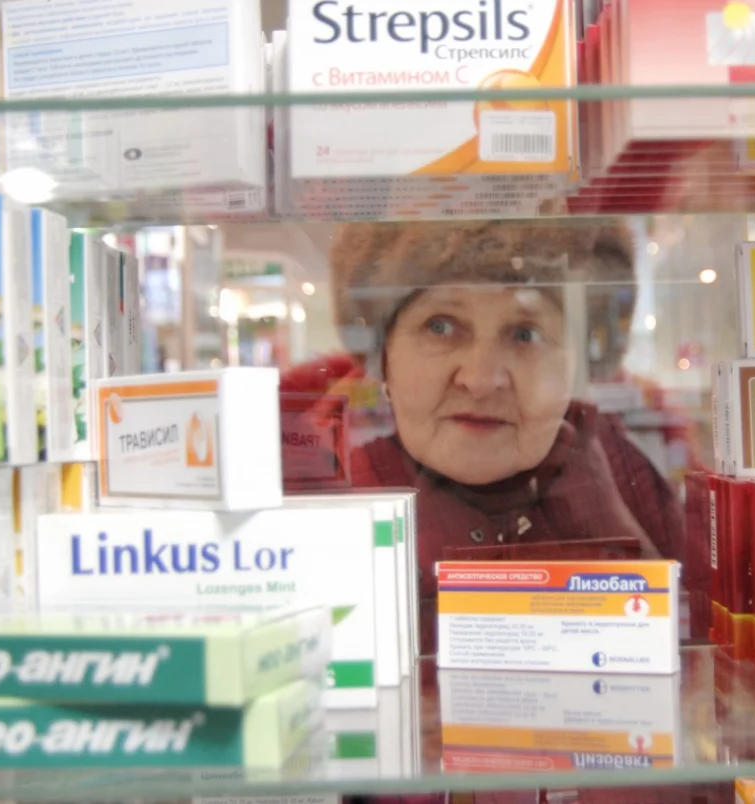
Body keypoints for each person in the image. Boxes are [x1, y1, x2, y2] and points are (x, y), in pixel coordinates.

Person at [281, 219, 694, 655]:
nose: (480, 380)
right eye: (440, 327)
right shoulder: (321, 502)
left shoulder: (632, 484)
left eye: (525, 334)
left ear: (577, 369)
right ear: (383, 357)